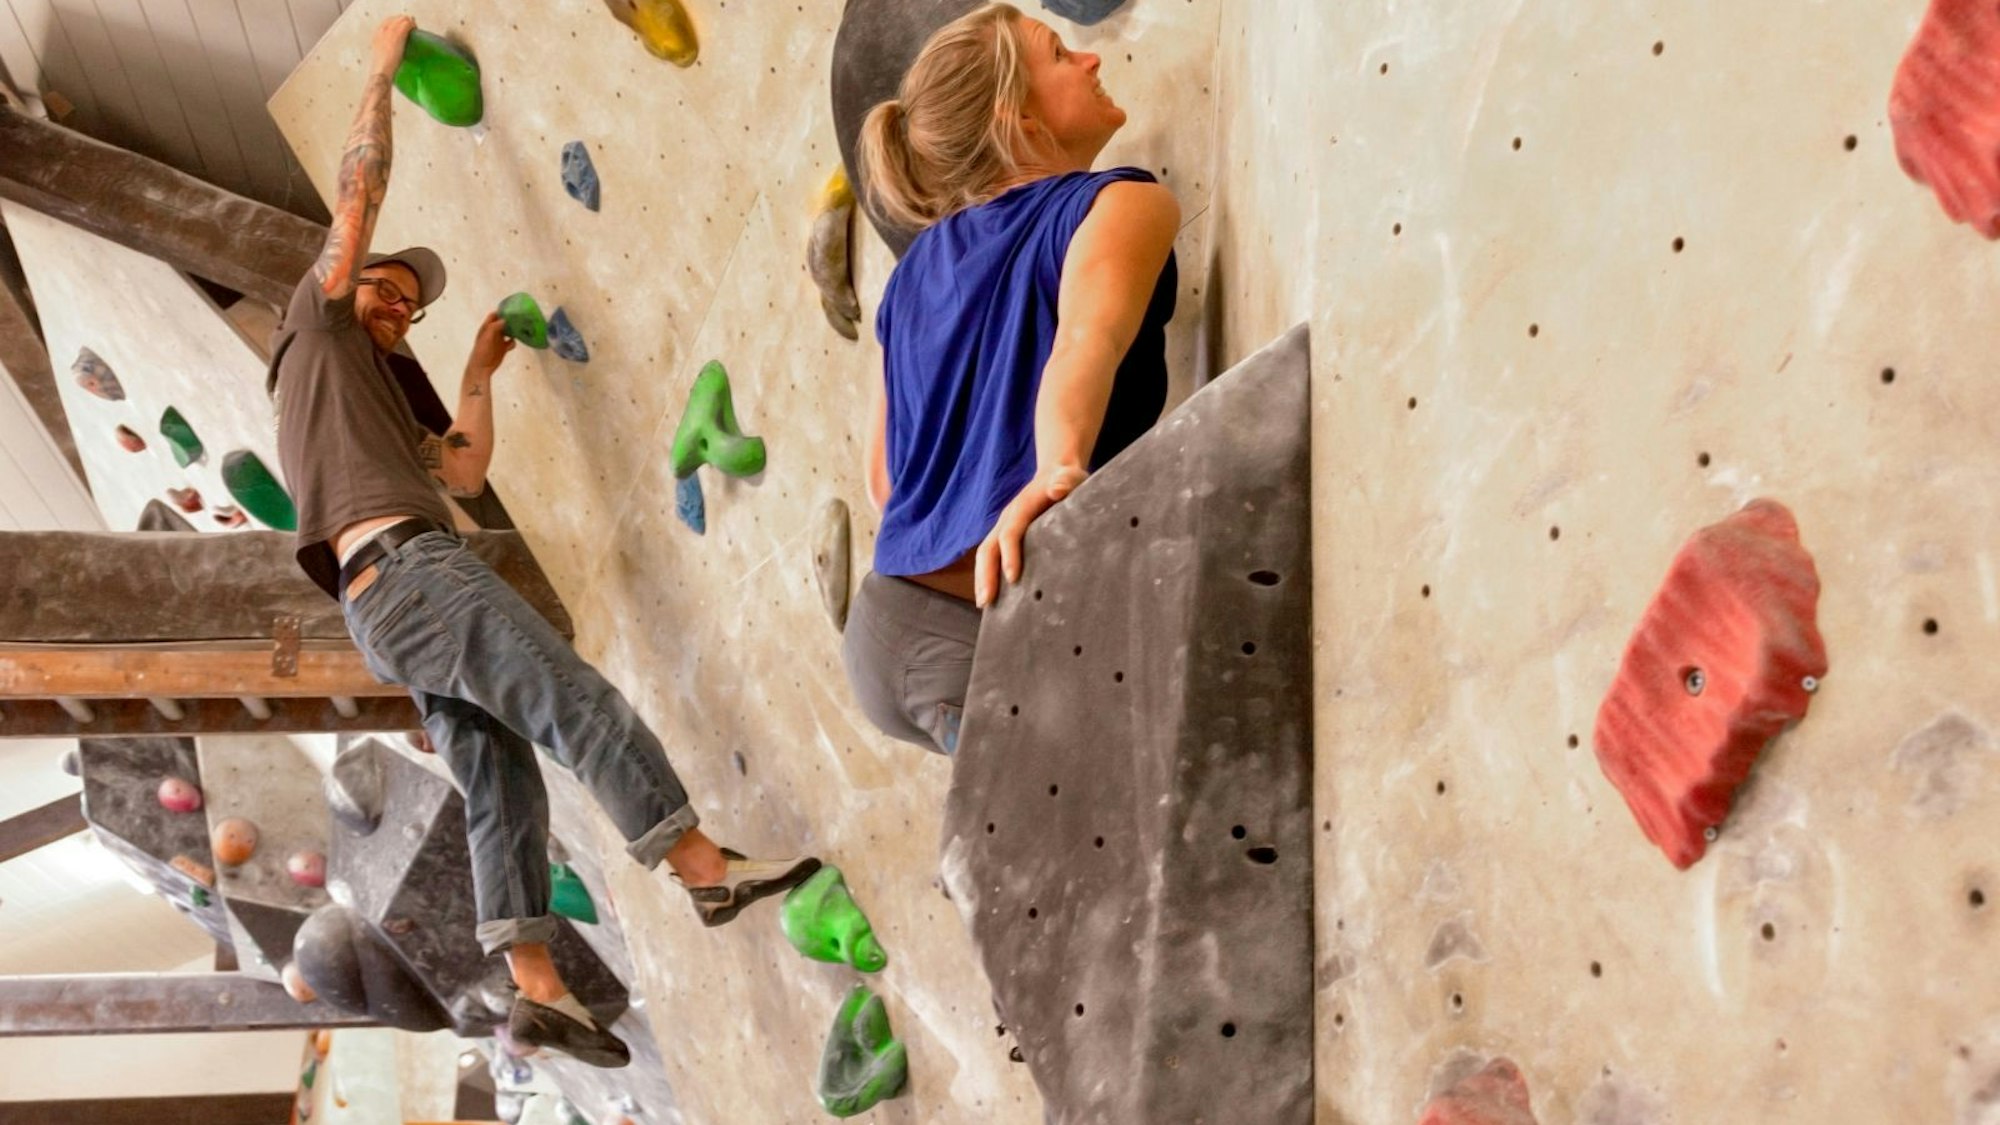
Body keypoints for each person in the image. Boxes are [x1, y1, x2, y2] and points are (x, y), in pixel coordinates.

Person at [267, 15, 819, 1068]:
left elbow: (465, 472)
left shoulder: (362, 403)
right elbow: (357, 192)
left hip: (386, 602)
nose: (397, 307)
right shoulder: (318, 323)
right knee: (572, 700)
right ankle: (701, 866)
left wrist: (476, 365)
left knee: (502, 784)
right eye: (387, 287)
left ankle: (534, 984)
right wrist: (378, 71)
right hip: (413, 580)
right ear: (345, 285)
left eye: (411, 308)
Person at [842, 3, 1181, 755]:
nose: (1091, 60)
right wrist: (1060, 464)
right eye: (1060, 55)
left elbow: (885, 485)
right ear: (1018, 121)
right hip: (980, 631)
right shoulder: (1120, 203)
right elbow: (1086, 340)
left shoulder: (912, 277)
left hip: (884, 632)